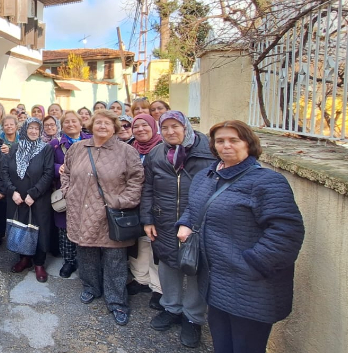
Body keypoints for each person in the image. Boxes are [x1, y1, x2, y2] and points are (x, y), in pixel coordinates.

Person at [178, 121, 304, 353]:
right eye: (220, 141)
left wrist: (252, 265)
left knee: (246, 347)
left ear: (248, 144)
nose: (226, 146)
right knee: (222, 345)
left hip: (250, 286)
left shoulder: (267, 181)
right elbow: (194, 207)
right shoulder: (207, 176)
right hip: (215, 281)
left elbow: (286, 233)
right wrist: (185, 223)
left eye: (233, 140)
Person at [60, 109, 144, 326]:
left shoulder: (126, 151)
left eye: (107, 123)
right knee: (85, 252)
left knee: (114, 259)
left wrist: (121, 201)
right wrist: (68, 191)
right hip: (81, 211)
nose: (102, 126)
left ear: (115, 127)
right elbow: (65, 171)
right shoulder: (78, 148)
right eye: (99, 123)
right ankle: (91, 287)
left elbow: (136, 180)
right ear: (91, 125)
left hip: (111, 213)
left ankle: (116, 301)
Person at [141, 110, 216, 348]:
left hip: (197, 222)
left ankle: (193, 318)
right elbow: (148, 189)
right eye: (165, 128)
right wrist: (147, 219)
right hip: (163, 221)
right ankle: (171, 308)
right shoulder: (157, 153)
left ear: (185, 126)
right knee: (168, 265)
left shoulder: (207, 152)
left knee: (195, 268)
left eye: (175, 126)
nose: (170, 132)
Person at [0, 117, 54, 282]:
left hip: (38, 198)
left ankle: (39, 263)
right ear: (24, 130)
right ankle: (24, 258)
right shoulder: (15, 147)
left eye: (37, 129)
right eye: (30, 128)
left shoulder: (46, 149)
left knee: (39, 229)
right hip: (18, 197)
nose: (33, 131)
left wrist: (34, 193)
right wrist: (12, 191)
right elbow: (5, 171)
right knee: (21, 227)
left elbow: (48, 173)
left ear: (40, 131)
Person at [128, 113, 163, 310]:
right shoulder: (132, 148)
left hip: (157, 204)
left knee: (155, 245)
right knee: (139, 243)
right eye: (136, 126)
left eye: (145, 125)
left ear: (153, 126)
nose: (140, 129)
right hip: (135, 203)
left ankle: (158, 287)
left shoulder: (163, 148)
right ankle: (140, 279)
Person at [49, 111, 84, 278]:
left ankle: (85, 261)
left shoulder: (90, 140)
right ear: (62, 127)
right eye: (66, 122)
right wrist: (58, 168)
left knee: (86, 226)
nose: (70, 124)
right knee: (65, 228)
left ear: (81, 123)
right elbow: (48, 165)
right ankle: (69, 261)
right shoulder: (55, 144)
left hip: (87, 192)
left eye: (74, 121)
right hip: (65, 191)